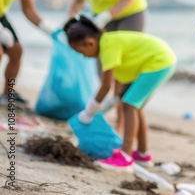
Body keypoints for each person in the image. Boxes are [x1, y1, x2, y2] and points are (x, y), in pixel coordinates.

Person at [64, 15, 177, 170]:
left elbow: (105, 86)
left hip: (158, 61)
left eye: (82, 52)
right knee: (134, 106)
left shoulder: (108, 46)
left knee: (129, 105)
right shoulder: (108, 41)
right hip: (159, 60)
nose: (84, 57)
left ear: (89, 42)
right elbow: (119, 79)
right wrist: (117, 97)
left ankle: (125, 156)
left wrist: (88, 113)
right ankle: (143, 155)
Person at [68, 0, 149, 131]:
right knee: (104, 66)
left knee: (121, 67)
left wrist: (107, 16)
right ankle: (111, 111)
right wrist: (69, 21)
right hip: (100, 16)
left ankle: (123, 121)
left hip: (130, 11)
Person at [0, 0, 57, 105]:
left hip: (1, 14)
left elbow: (28, 9)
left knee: (17, 51)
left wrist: (49, 30)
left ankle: (7, 95)